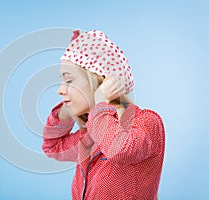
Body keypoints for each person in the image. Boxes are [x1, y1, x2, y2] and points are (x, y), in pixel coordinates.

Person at [42, 30, 165, 200]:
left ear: (99, 81)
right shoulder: (89, 137)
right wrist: (68, 107)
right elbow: (52, 147)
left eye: (69, 80)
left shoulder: (147, 122)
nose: (60, 90)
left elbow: (119, 150)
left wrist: (100, 100)